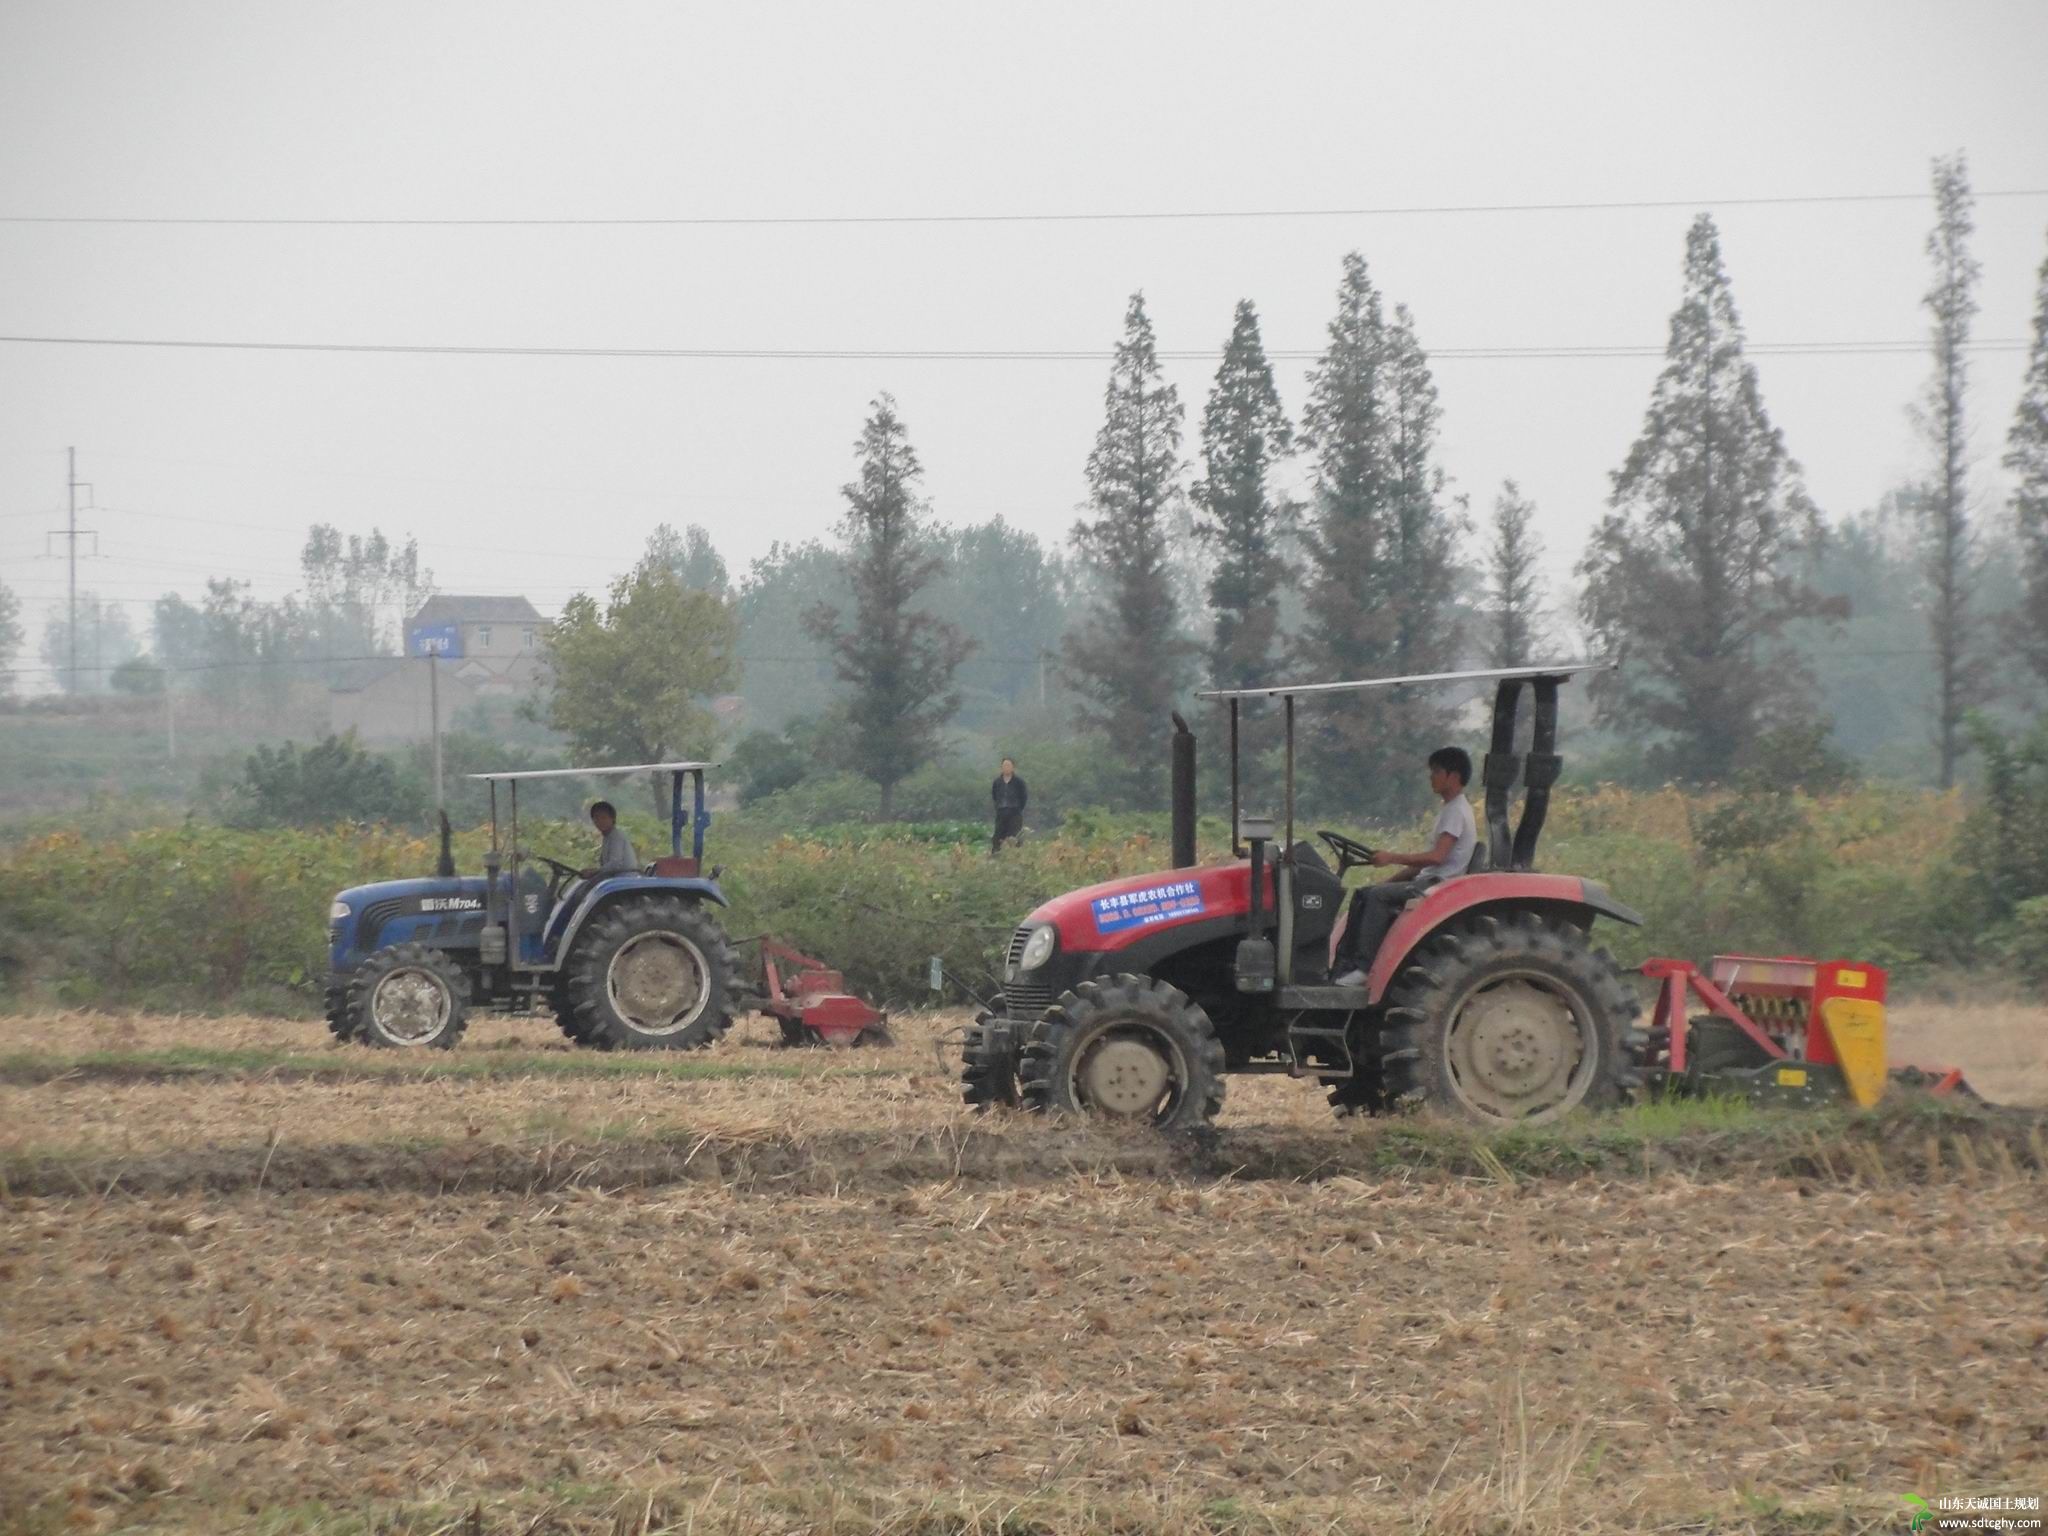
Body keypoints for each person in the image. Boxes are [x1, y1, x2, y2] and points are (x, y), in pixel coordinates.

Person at [1332, 746, 1477, 986]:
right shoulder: (1449, 810)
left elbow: (1436, 858)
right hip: (1427, 878)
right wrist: (1388, 881)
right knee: (1366, 893)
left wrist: (1391, 857)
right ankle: (1343, 965)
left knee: (1377, 898)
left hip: (1436, 885)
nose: (1431, 776)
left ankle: (1363, 968)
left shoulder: (1457, 811)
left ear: (1454, 776)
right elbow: (1423, 866)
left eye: (1437, 771)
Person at [580, 800, 640, 878]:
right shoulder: (607, 838)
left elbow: (615, 864)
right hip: (614, 878)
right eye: (596, 818)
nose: (600, 821)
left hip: (624, 879)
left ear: (612, 819)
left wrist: (595, 872)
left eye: (604, 818)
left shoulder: (616, 836)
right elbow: (605, 865)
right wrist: (592, 871)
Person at [991, 757, 1028, 852]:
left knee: (1014, 836)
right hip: (1001, 812)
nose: (1006, 768)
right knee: (998, 837)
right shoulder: (997, 782)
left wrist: (1018, 808)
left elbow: (1023, 797)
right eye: (1004, 766)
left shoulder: (1019, 782)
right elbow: (994, 796)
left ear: (1013, 768)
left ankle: (1015, 856)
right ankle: (996, 857)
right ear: (1001, 767)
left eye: (1008, 765)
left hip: (1014, 813)